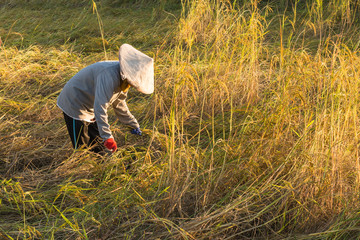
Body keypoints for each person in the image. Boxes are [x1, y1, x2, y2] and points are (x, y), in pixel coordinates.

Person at [57, 43, 154, 153]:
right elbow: (100, 107)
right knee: (81, 149)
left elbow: (119, 103)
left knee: (99, 147)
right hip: (75, 103)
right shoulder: (109, 76)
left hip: (90, 107)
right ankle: (81, 168)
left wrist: (132, 124)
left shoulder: (123, 80)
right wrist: (108, 137)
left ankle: (100, 166)